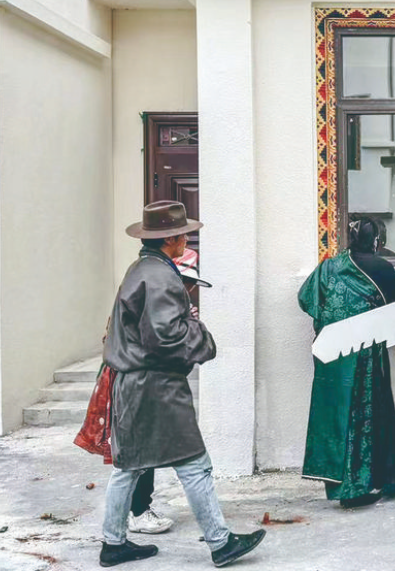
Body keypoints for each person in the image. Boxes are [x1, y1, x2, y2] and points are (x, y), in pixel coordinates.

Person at [100, 201, 265, 568]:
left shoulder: (141, 269)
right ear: (169, 239)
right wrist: (200, 334)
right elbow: (167, 337)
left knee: (129, 466)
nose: (187, 239)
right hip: (156, 387)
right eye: (183, 235)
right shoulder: (161, 276)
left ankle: (113, 543)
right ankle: (221, 543)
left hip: (135, 383)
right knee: (194, 463)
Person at [298, 216, 395, 508]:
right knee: (364, 417)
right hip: (365, 355)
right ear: (376, 241)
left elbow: (305, 298)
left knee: (336, 417)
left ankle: (339, 483)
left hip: (332, 354)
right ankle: (359, 487)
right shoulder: (383, 268)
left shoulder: (329, 267)